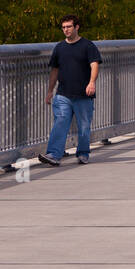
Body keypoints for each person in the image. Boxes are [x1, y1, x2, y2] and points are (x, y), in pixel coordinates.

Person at [37, 14, 101, 166]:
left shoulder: (88, 46)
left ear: (76, 27)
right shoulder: (59, 48)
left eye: (69, 27)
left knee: (84, 127)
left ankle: (83, 153)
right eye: (63, 27)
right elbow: (54, 71)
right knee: (60, 122)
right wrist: (49, 91)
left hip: (83, 95)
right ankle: (53, 155)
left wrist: (92, 82)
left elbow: (94, 65)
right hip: (63, 94)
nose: (66, 30)